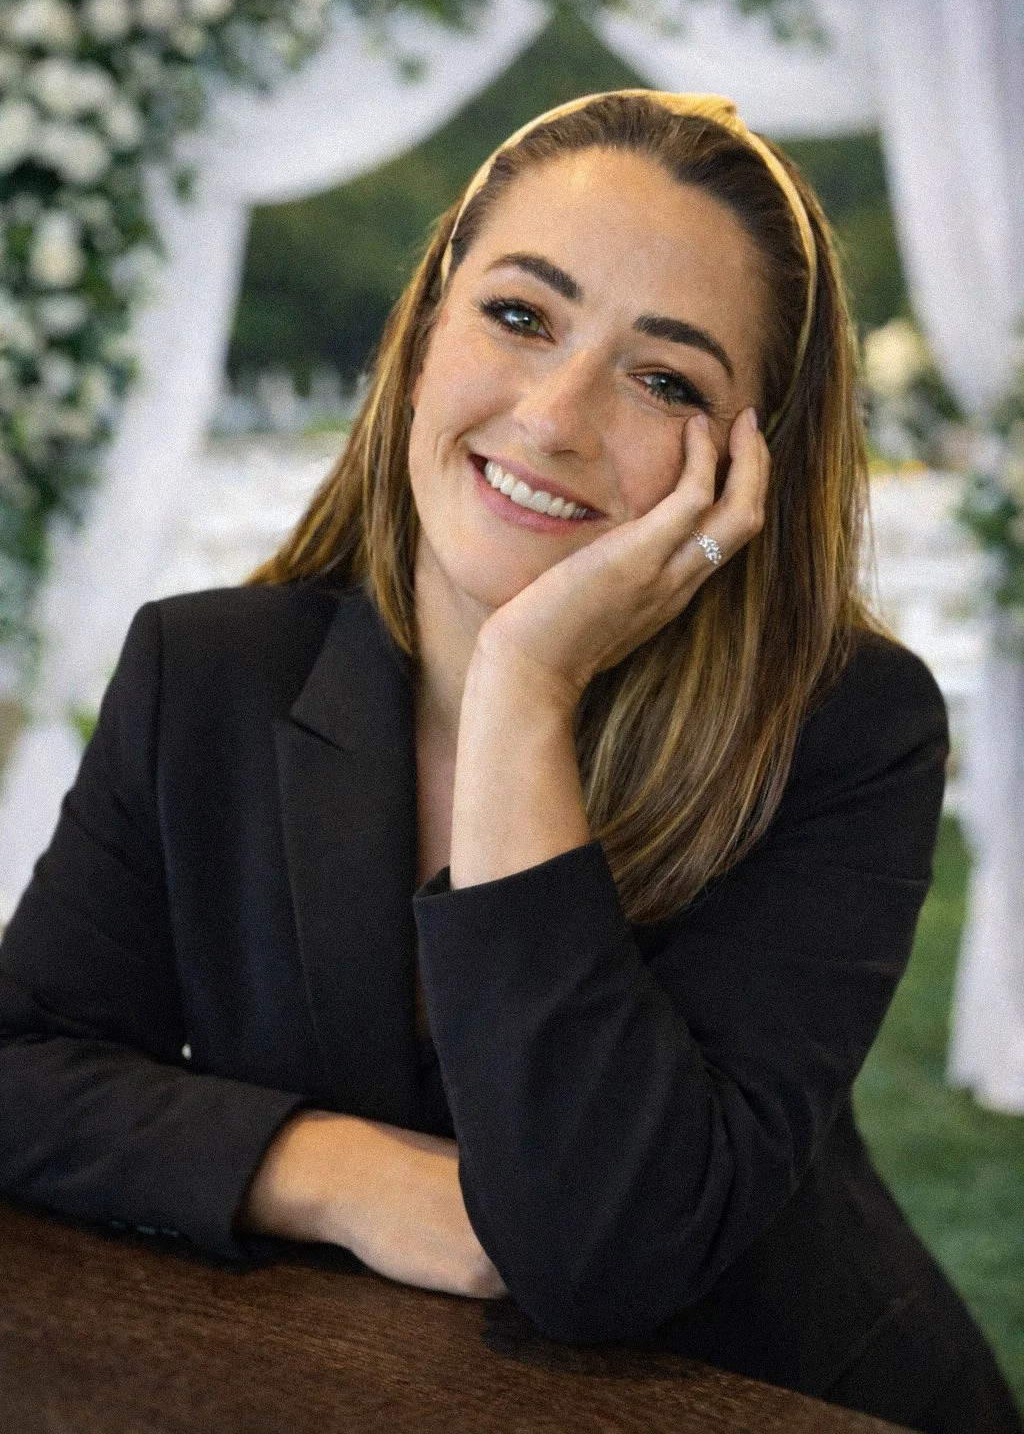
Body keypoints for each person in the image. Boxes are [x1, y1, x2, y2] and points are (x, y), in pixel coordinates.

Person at [0, 89, 1019, 1433]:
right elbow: (23, 1067)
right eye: (520, 314)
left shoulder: (841, 728)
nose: (552, 417)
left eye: (668, 380)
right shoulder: (209, 674)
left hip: (769, 1399)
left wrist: (524, 690)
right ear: (425, 326)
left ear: (750, 463)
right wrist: (334, 1173)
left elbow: (601, 1251)